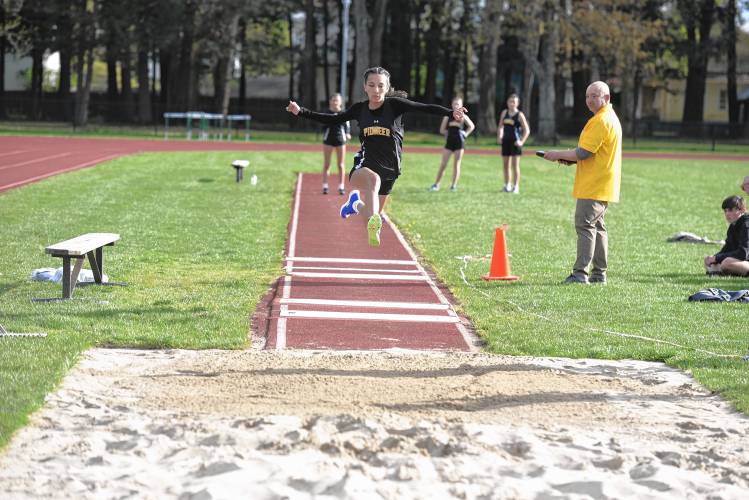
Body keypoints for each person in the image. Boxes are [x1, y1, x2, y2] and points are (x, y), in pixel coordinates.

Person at [286, 66, 467, 247]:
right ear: (365, 87)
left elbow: (425, 107)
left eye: (381, 86)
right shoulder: (359, 109)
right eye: (371, 85)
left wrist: (451, 113)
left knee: (372, 216)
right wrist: (301, 111)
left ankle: (355, 204)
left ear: (387, 88)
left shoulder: (395, 106)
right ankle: (372, 222)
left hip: (391, 169)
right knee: (373, 181)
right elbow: (332, 119)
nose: (376, 90)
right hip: (365, 166)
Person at [540, 81, 622, 284]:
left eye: (595, 95)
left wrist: (556, 154)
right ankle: (599, 274)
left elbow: (583, 153)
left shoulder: (601, 120)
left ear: (607, 98)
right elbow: (589, 153)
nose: (590, 100)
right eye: (587, 96)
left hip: (594, 184)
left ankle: (580, 274)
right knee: (598, 228)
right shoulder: (609, 118)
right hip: (603, 183)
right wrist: (568, 158)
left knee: (585, 226)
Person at [429, 96, 475, 192]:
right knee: (443, 164)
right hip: (449, 142)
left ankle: (453, 186)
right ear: (452, 105)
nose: (456, 105)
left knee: (456, 164)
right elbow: (442, 130)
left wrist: (465, 134)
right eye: (455, 103)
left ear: (461, 105)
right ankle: (436, 185)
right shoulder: (448, 116)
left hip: (459, 143)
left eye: (458, 104)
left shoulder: (464, 116)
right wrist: (447, 134)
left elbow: (471, 126)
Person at [704, 195, 749, 277]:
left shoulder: (746, 225)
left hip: (745, 260)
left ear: (742, 210)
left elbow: (743, 253)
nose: (727, 214)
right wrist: (714, 257)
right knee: (708, 262)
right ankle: (721, 272)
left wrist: (717, 258)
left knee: (727, 262)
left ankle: (722, 271)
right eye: (725, 211)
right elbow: (728, 248)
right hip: (742, 261)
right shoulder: (733, 226)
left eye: (731, 210)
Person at [497, 94, 530, 194]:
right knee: (506, 165)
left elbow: (527, 130)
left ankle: (516, 186)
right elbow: (500, 126)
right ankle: (507, 185)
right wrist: (500, 136)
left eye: (514, 102)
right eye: (510, 101)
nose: (511, 104)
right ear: (507, 103)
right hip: (505, 142)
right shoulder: (504, 113)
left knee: (515, 165)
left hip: (515, 143)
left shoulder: (519, 115)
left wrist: (521, 141)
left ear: (517, 104)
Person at [321, 93, 351, 195]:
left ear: (340, 102)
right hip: (328, 140)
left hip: (340, 141)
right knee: (327, 164)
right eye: (333, 100)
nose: (335, 102)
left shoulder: (343, 113)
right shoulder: (326, 113)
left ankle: (341, 186)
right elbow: (323, 126)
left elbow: (347, 125)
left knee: (341, 164)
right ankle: (325, 186)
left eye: (337, 100)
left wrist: (347, 134)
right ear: (330, 101)